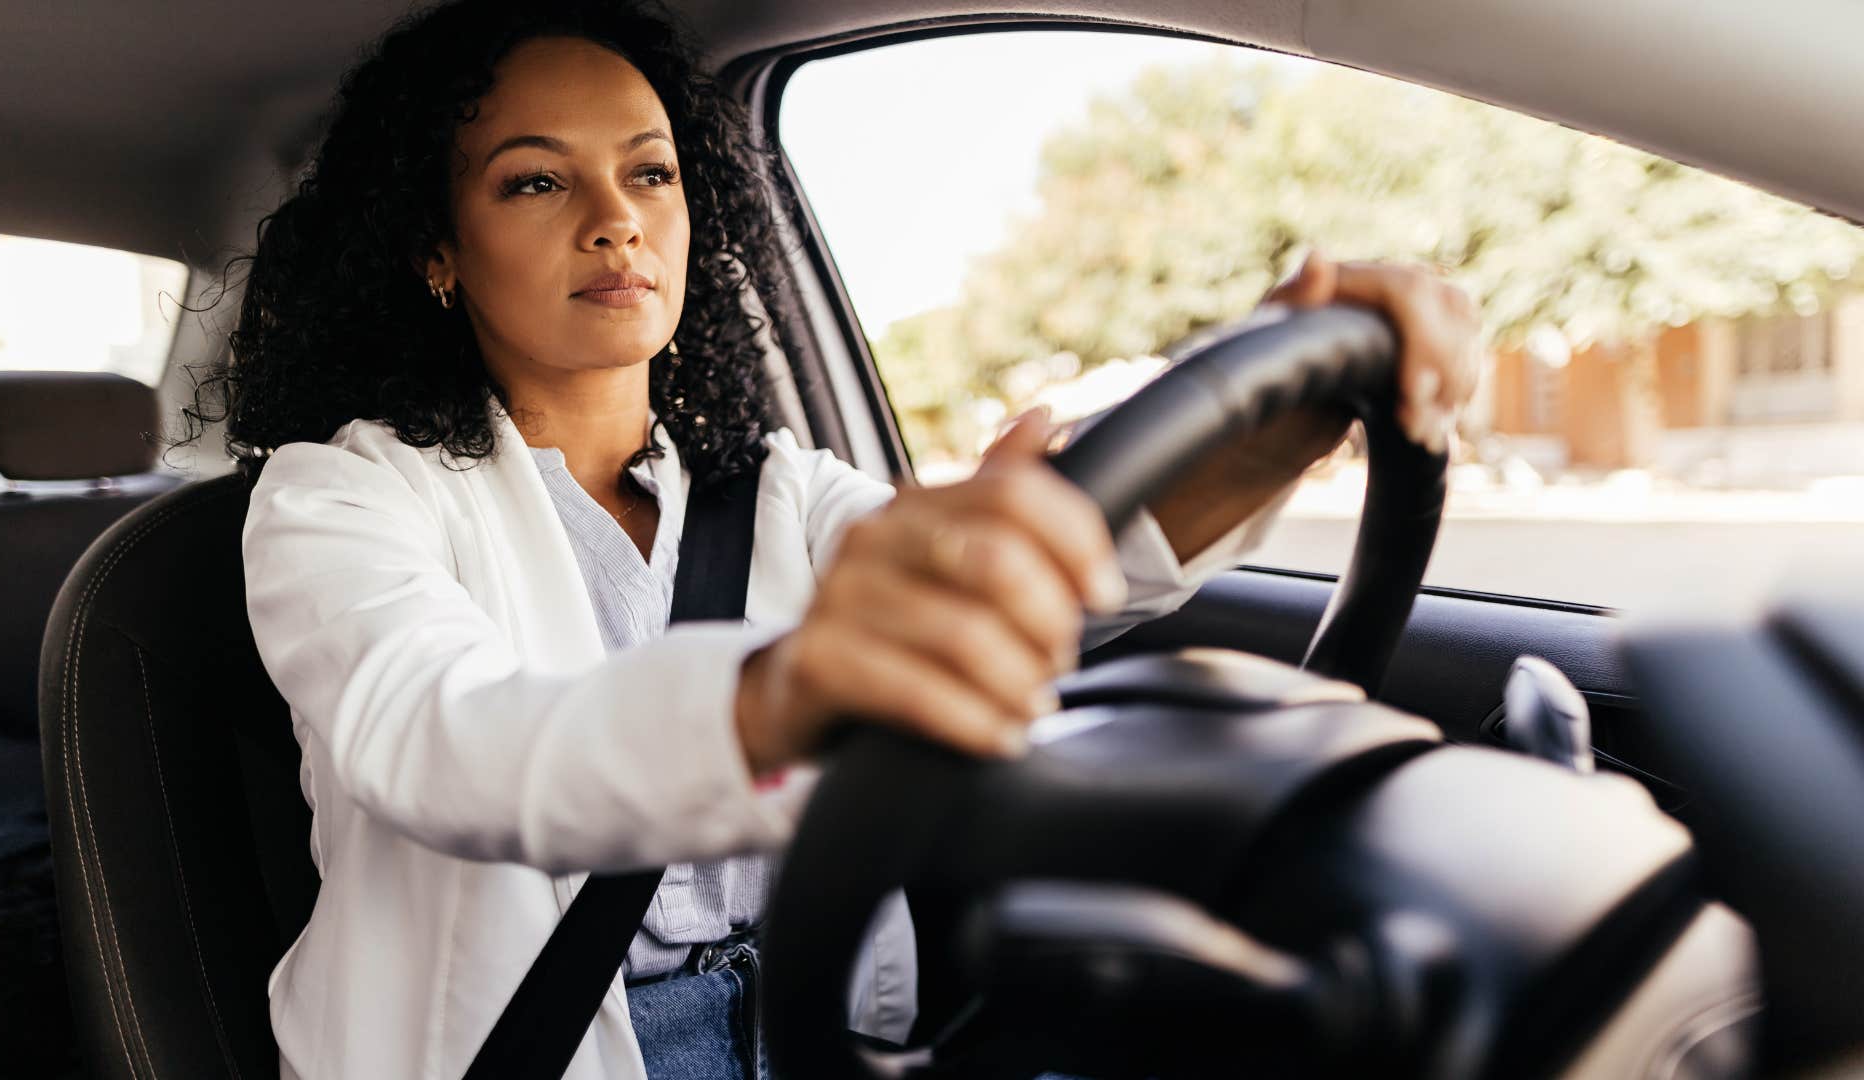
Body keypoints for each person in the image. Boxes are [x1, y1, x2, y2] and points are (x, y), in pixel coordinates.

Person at [190, 0, 1481, 1076]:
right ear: (437, 251)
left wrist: (1274, 421)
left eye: (649, 170)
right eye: (536, 179)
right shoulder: (339, 500)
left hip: (820, 1019)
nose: (615, 217)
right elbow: (447, 739)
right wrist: (783, 691)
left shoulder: (783, 493)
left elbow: (1057, 569)